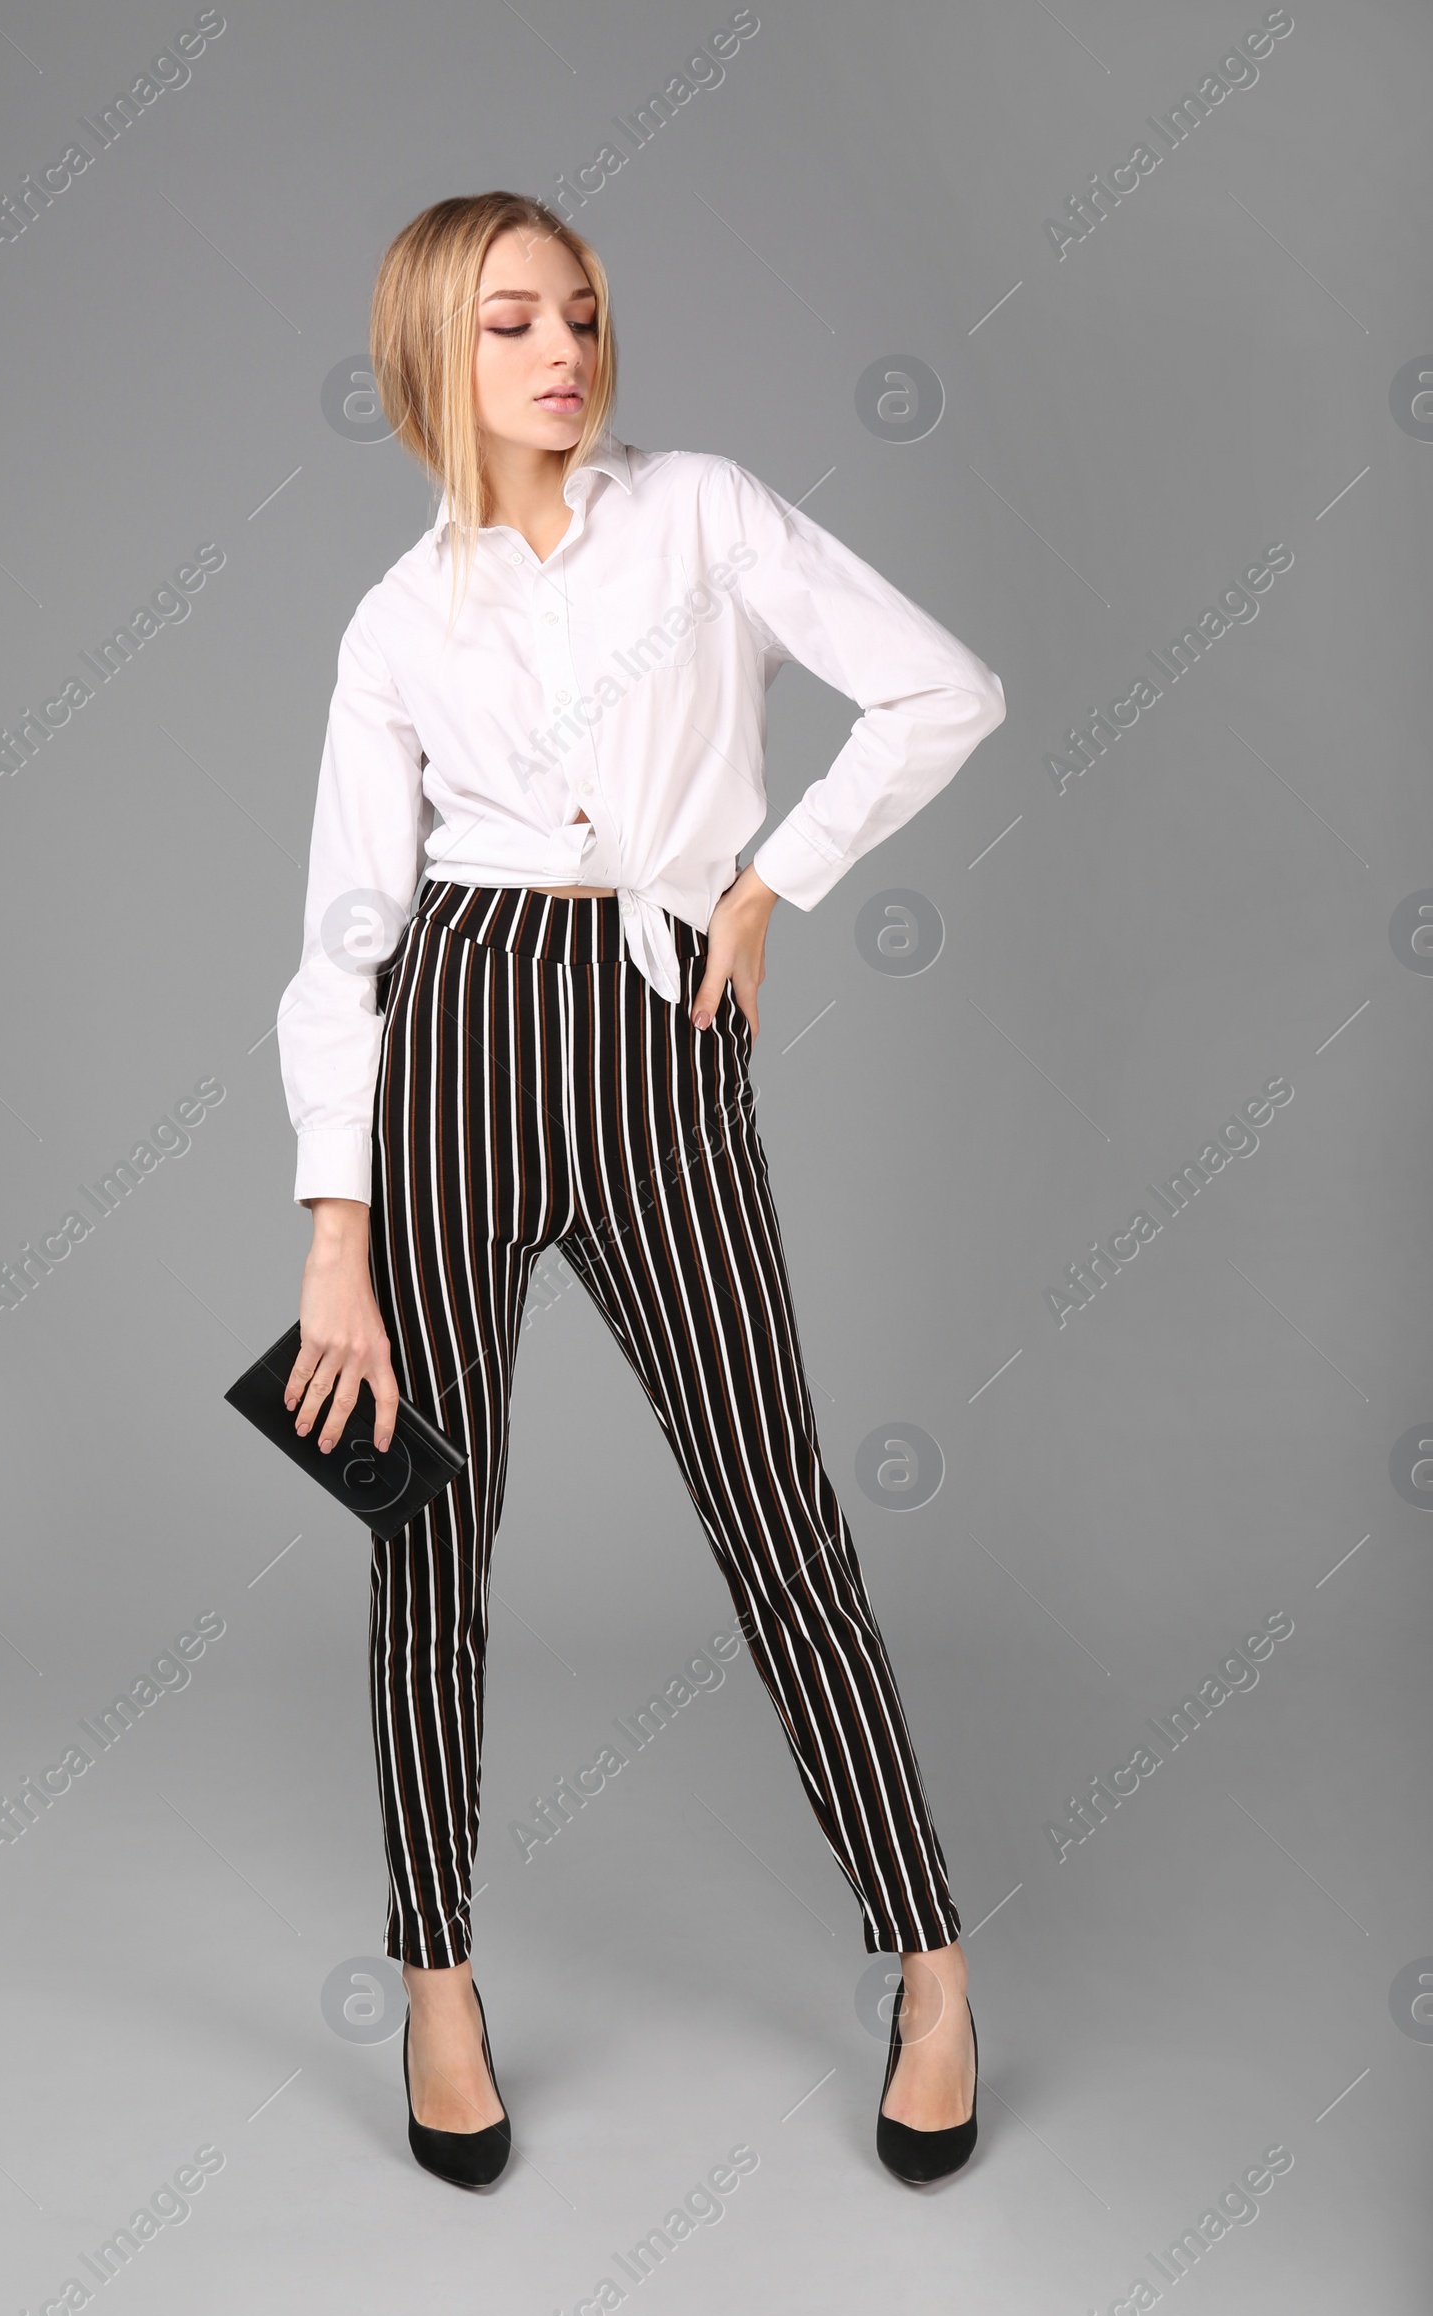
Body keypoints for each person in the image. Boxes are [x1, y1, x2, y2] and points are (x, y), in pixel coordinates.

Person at [275, 191, 1006, 2190]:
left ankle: (928, 1969)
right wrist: (332, 1239)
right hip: (457, 1023)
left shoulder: (703, 515)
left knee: (774, 1506)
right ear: (436, 349)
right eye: (509, 320)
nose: (559, 349)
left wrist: (771, 882)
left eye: (579, 312)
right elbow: (342, 936)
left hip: (654, 1018)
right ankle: (437, 1982)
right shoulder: (394, 621)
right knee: (425, 1528)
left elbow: (943, 690)